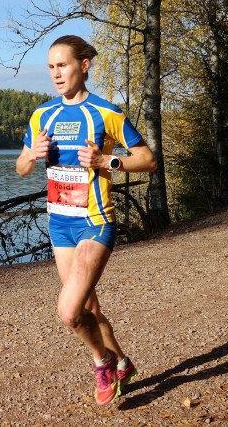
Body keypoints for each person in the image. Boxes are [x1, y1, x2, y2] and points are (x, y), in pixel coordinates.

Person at [16, 35, 157, 406]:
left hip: (95, 222)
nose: (56, 74)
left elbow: (147, 159)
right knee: (89, 308)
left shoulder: (106, 113)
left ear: (84, 65)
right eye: (50, 67)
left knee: (69, 310)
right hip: (59, 224)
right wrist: (33, 155)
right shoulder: (42, 115)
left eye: (62, 65)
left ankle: (102, 360)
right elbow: (20, 167)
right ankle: (124, 363)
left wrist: (106, 162)